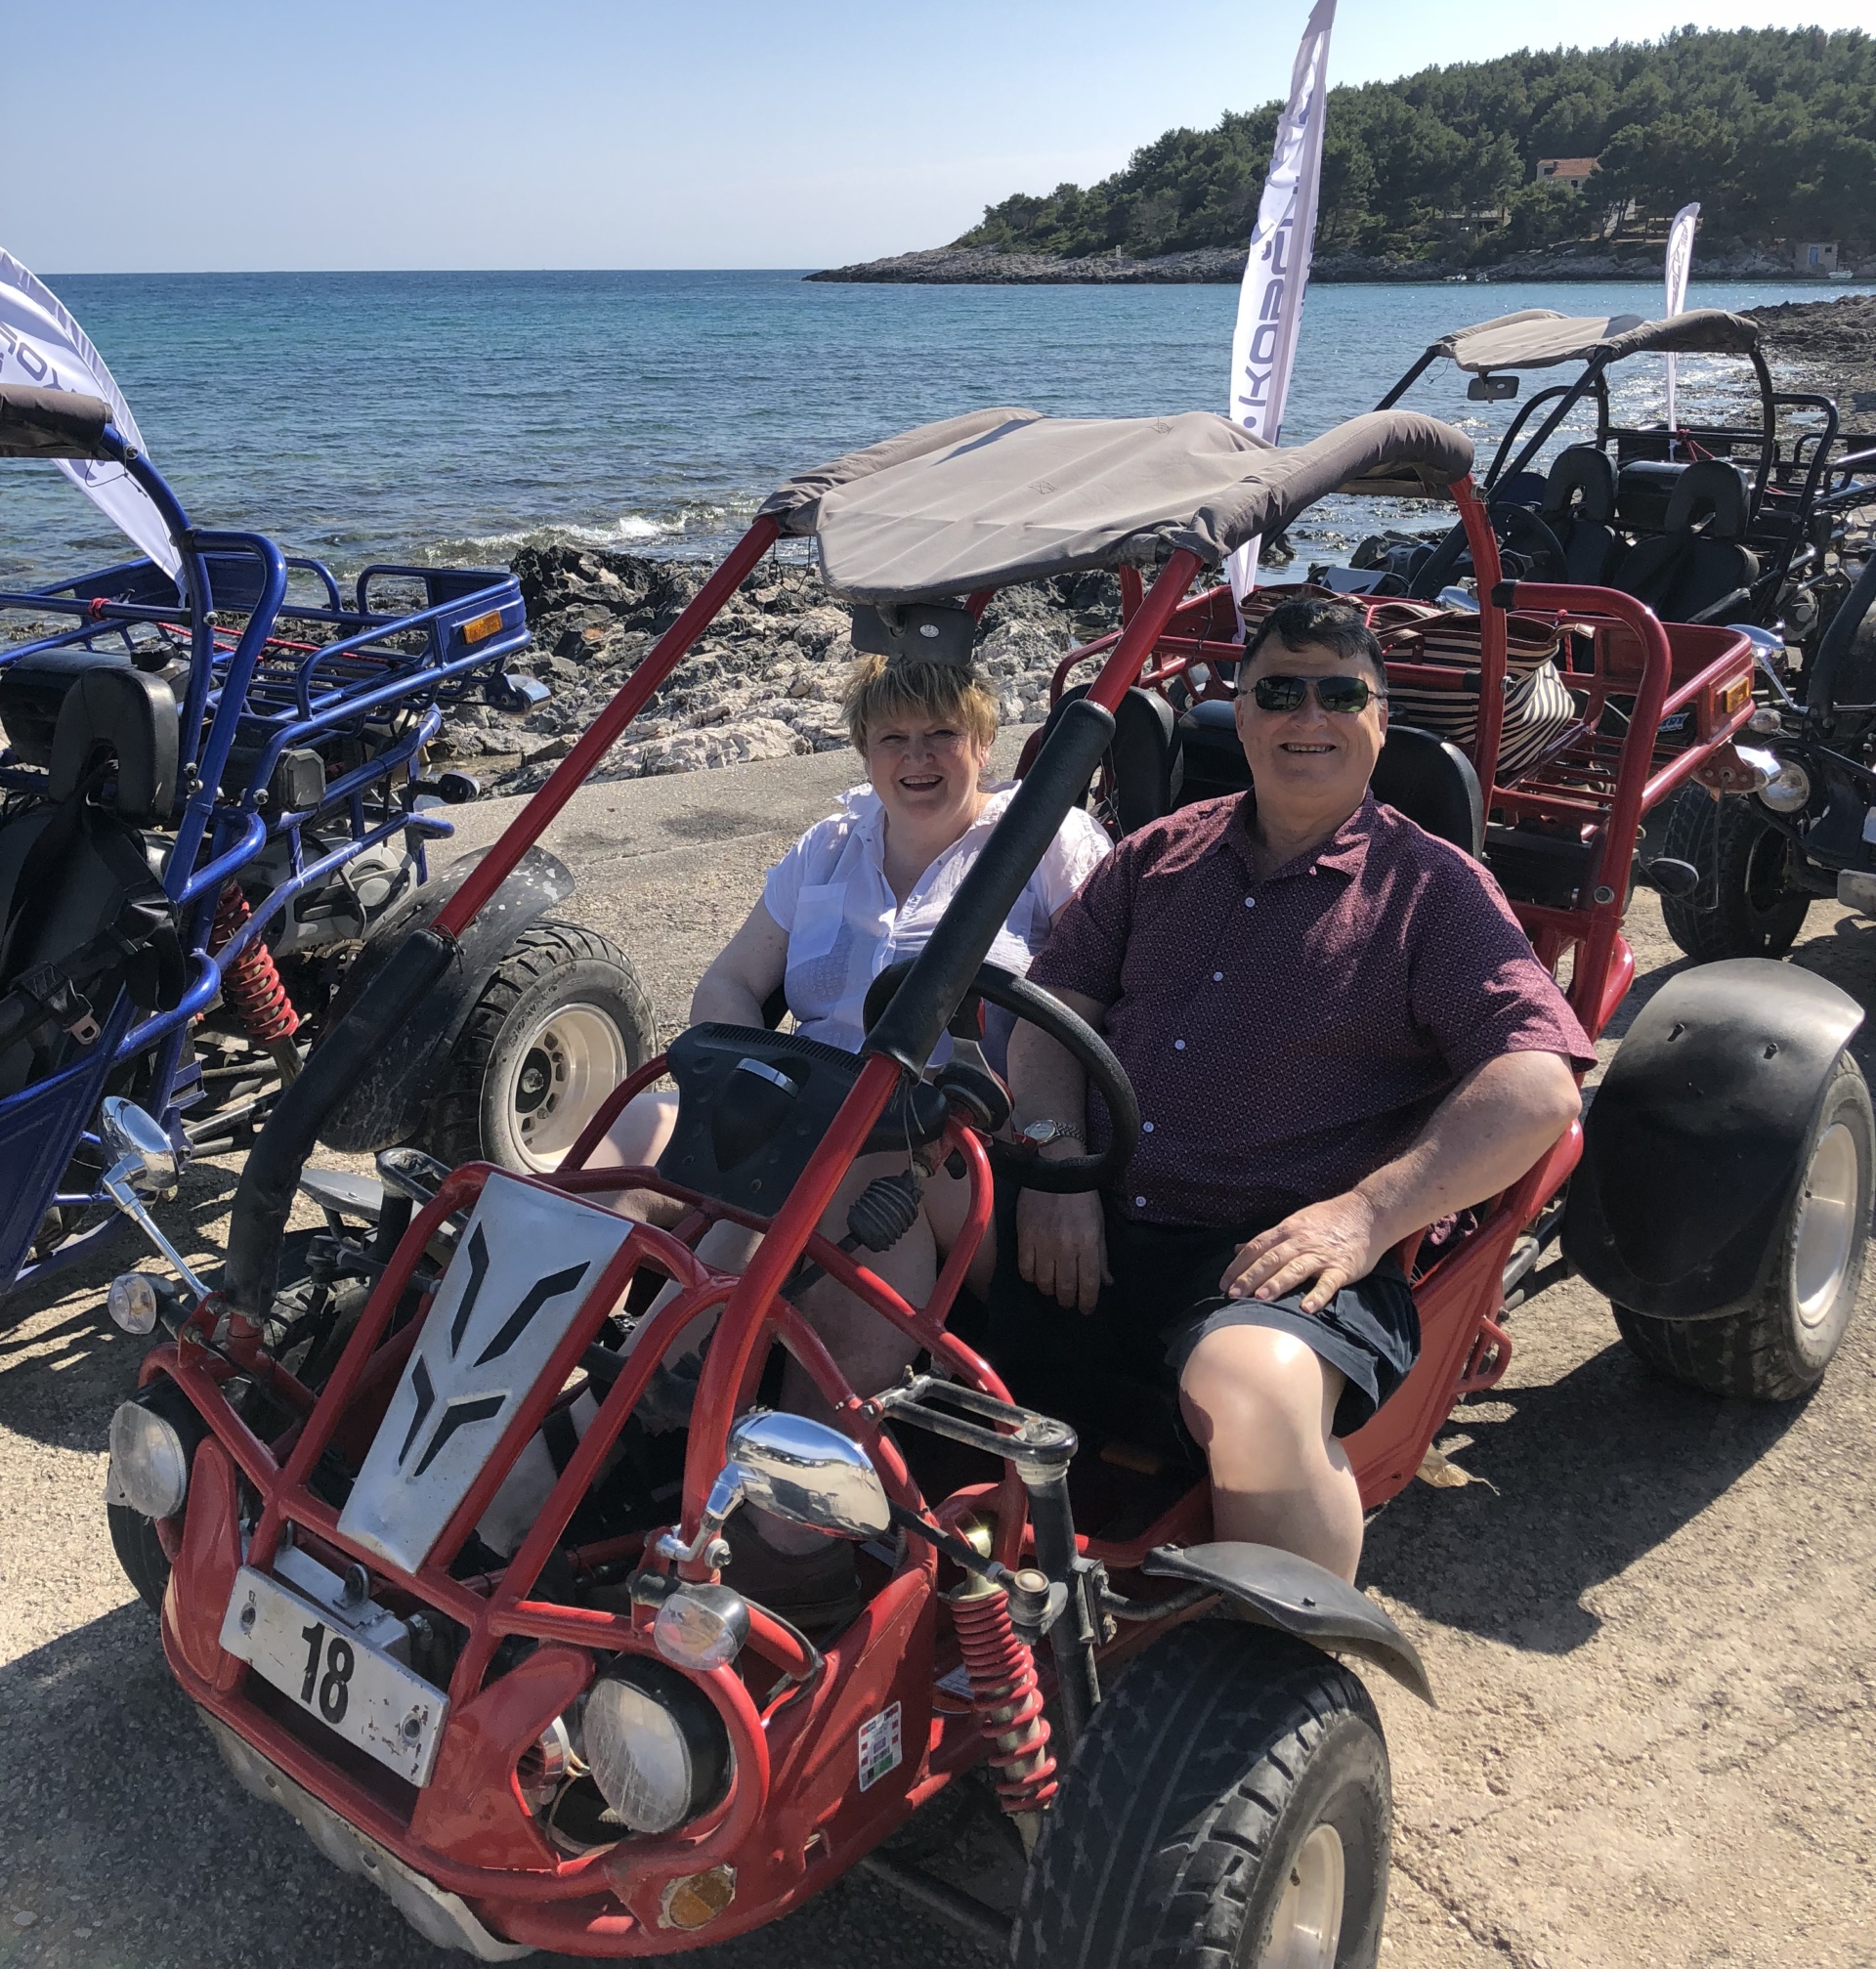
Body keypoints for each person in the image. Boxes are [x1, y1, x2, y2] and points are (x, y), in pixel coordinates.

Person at [996, 594, 1594, 1583]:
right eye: (1279, 689)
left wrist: (1365, 1217)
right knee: (863, 1207)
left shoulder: (1430, 890)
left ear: (1379, 720)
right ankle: (795, 1545)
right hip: (1090, 1208)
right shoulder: (1159, 854)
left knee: (1258, 1387)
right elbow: (1051, 1004)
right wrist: (1057, 1158)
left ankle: (1272, 1682)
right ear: (1241, 708)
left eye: (1338, 692)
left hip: (1272, 1258)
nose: (1306, 716)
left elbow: (1539, 1085)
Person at [476, 646, 1108, 1569]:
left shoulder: (1050, 841)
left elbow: (1104, 1003)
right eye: (894, 737)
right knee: (623, 1138)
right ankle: (496, 1392)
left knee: (827, 1183)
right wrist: (759, 1073)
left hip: (958, 1149)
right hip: (805, 1115)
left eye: (943, 733)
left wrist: (1054, 1145)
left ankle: (664, 1454)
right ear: (862, 749)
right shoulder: (829, 848)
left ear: (984, 741)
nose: (919, 757)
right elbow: (730, 983)